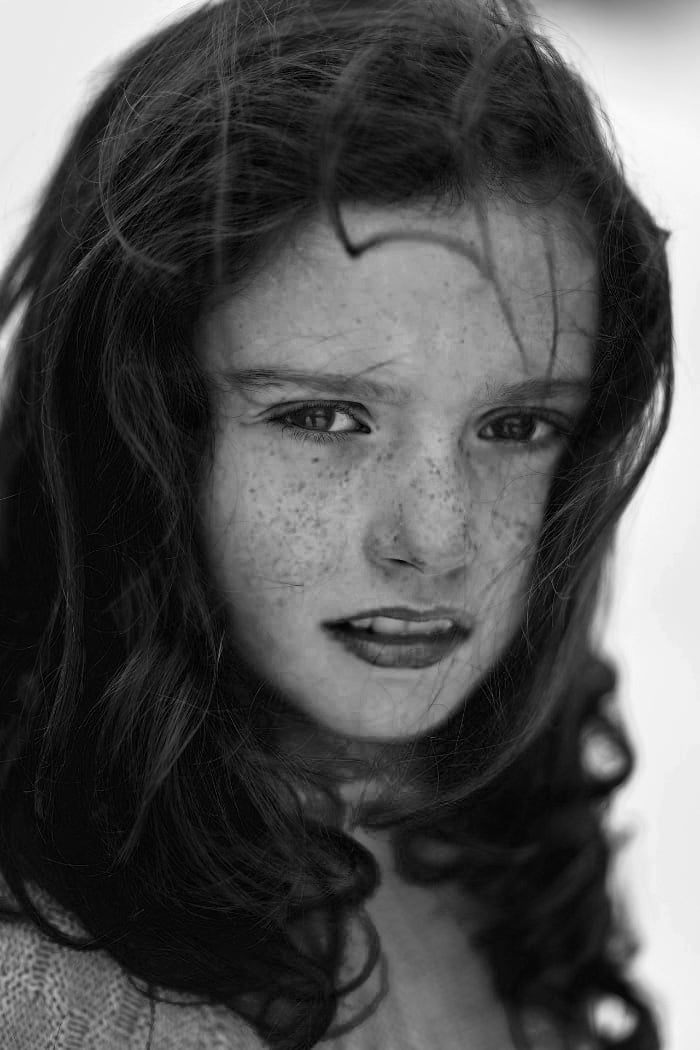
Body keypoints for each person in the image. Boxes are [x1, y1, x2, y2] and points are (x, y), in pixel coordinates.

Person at [0, 0, 673, 1047]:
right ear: (134, 430)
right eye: (322, 417)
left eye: (516, 424)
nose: (436, 537)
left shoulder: (497, 859)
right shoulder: (36, 982)